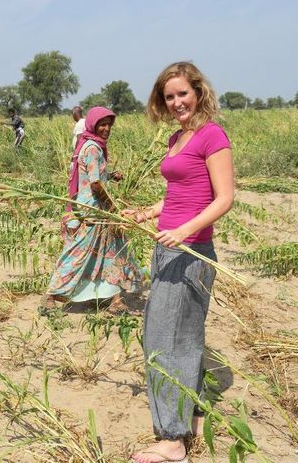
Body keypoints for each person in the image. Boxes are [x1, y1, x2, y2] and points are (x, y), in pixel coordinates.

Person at [122, 62, 234, 463]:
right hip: (168, 246)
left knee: (163, 341)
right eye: (169, 97)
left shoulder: (212, 135)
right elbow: (182, 193)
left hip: (189, 253)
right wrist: (151, 212)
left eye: (182, 93)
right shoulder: (177, 137)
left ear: (198, 92)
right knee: (183, 337)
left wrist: (184, 232)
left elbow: (223, 198)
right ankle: (193, 415)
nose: (176, 102)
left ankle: (172, 440)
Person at [42, 106, 142, 315]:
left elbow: (92, 175)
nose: (106, 128)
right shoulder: (93, 148)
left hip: (93, 206)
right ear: (93, 125)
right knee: (78, 252)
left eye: (109, 124)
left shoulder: (89, 145)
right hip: (93, 209)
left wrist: (111, 175)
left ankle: (114, 299)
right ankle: (50, 295)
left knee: (112, 250)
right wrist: (113, 207)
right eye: (102, 124)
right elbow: (95, 185)